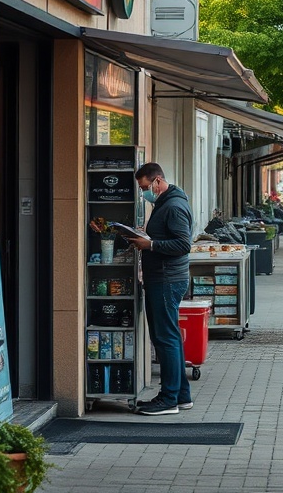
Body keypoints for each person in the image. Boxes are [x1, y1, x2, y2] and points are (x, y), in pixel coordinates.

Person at [125, 162, 194, 416]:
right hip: (163, 278)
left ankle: (168, 399)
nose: (144, 193)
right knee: (168, 337)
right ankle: (181, 395)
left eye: (145, 187)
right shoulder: (166, 202)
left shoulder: (173, 206)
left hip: (166, 280)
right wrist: (146, 237)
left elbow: (183, 244)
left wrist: (150, 245)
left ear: (157, 181)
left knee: (165, 339)